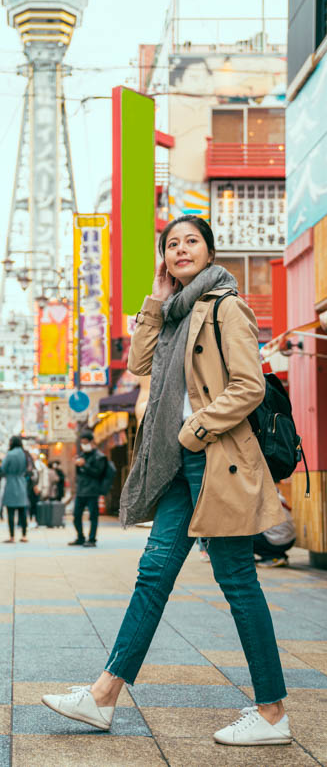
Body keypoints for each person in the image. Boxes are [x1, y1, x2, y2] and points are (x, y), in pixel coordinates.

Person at [42, 215, 291, 747]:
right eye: (171, 244)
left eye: (190, 242)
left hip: (213, 459)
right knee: (153, 574)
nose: (180, 249)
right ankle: (104, 696)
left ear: (209, 251)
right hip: (181, 465)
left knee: (238, 584)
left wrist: (194, 430)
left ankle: (272, 712)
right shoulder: (175, 314)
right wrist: (155, 301)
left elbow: (249, 386)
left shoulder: (226, 306)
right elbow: (138, 363)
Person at [68, 431, 107, 548]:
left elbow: (98, 473)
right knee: (76, 515)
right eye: (82, 443)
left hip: (93, 491)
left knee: (93, 516)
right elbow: (79, 473)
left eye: (85, 443)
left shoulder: (99, 456)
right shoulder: (82, 455)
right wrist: (78, 464)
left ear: (91, 442)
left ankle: (92, 539)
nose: (84, 445)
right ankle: (80, 537)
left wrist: (84, 465)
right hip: (81, 490)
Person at [253, 490, 296, 568]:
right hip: (290, 540)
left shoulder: (259, 498)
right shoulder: (277, 496)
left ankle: (272, 558)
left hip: (276, 541)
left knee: (244, 534)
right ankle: (278, 555)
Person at [1, 435, 29, 543]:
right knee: (23, 512)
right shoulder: (25, 454)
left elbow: (3, 468)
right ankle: (24, 535)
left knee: (11, 512)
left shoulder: (9, 454)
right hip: (22, 483)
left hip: (11, 483)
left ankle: (12, 536)